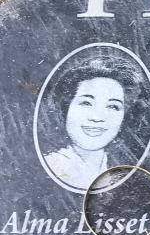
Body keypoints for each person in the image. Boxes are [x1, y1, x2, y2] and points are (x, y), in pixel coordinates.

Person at [43, 57, 140, 190]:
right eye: (86, 103)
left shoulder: (121, 175)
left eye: (113, 106)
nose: (97, 117)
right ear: (66, 107)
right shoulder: (48, 167)